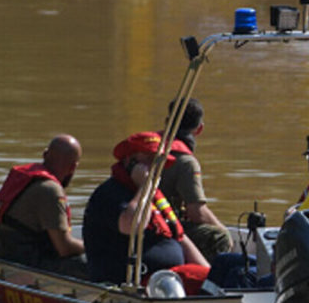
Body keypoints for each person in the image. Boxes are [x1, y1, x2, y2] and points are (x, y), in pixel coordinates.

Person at [83, 131, 209, 285]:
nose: (156, 168)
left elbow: (179, 238)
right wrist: (145, 186)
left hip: (170, 279)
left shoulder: (155, 196)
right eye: (150, 160)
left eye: (160, 162)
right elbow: (131, 225)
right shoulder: (110, 193)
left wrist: (211, 275)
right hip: (138, 283)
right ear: (130, 161)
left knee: (230, 267)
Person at [0, 135, 88, 278]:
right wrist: (94, 248)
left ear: (45, 154)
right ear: (73, 167)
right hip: (26, 263)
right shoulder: (50, 190)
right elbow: (64, 248)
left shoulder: (28, 179)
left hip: (3, 254)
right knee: (92, 263)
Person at [158, 98, 232, 262]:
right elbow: (197, 212)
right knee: (219, 237)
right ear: (199, 129)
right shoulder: (186, 162)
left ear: (168, 122)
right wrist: (224, 231)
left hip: (135, 220)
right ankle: (209, 280)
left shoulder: (150, 149)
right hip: (158, 227)